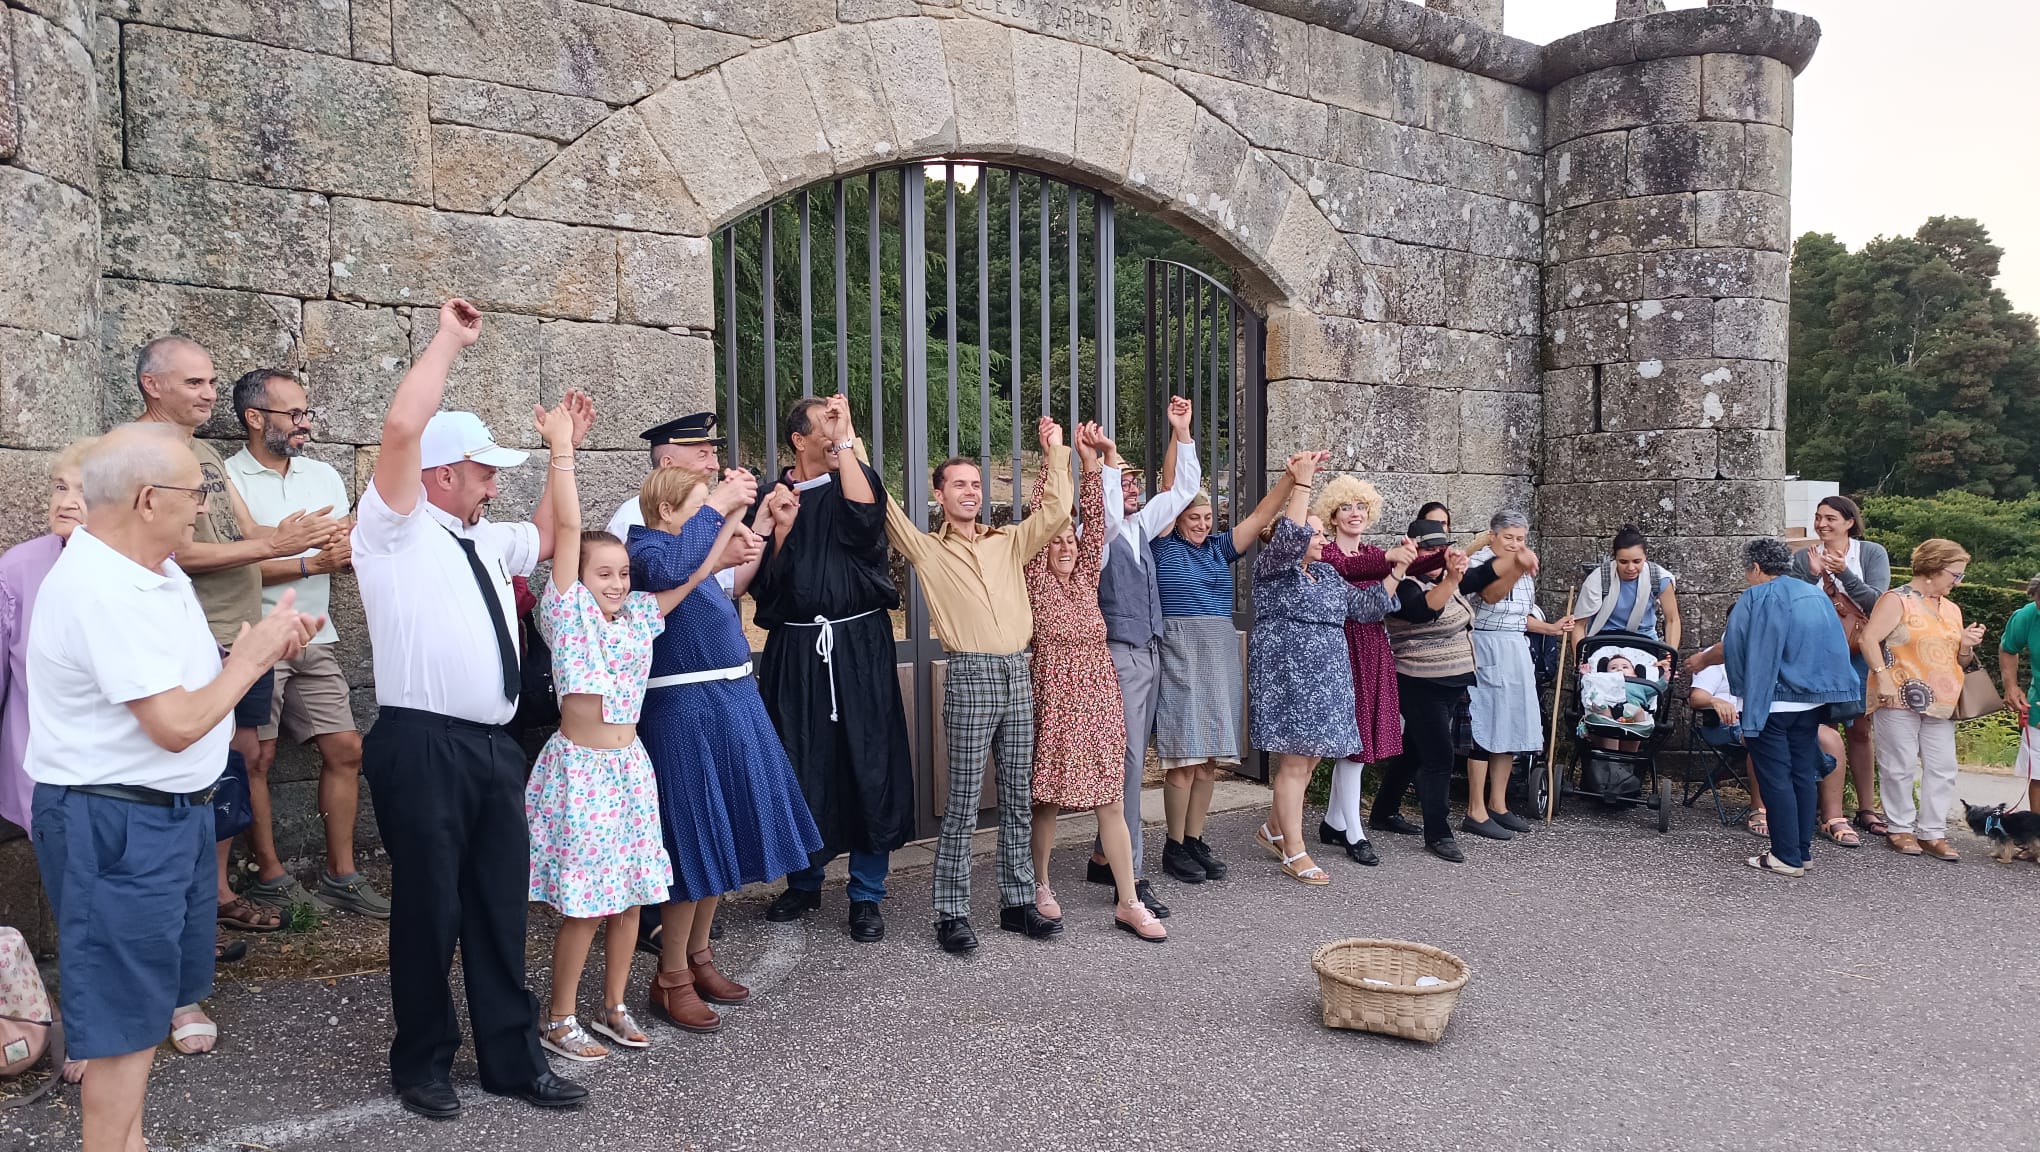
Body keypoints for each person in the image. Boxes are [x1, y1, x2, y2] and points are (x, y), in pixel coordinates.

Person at [26, 423, 318, 1152]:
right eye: (199, 492)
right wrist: (250, 662)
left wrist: (265, 643)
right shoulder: (102, 588)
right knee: (123, 1021)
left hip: (164, 817)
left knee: (146, 1007)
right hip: (119, 823)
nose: (204, 506)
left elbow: (183, 682)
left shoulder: (149, 570)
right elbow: (177, 723)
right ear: (148, 498)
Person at [350, 298, 591, 1118]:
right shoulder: (392, 529)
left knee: (495, 903)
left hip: (492, 747)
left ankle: (510, 1059)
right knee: (429, 909)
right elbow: (398, 431)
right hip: (421, 743)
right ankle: (421, 1064)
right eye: (483, 468)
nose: (494, 479)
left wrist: (565, 454)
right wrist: (450, 341)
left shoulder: (485, 540)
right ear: (443, 472)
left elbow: (556, 536)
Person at [133, 338, 345, 1051]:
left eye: (212, 379)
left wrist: (293, 539)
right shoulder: (146, 454)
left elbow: (247, 534)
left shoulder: (207, 458)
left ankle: (217, 899)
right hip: (208, 638)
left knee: (236, 762)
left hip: (237, 631)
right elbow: (182, 552)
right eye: (194, 381)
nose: (206, 392)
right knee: (209, 770)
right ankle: (193, 926)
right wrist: (284, 552)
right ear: (151, 384)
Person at [868, 416, 1072, 954]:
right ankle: (951, 913)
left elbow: (1055, 512)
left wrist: (1054, 450)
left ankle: (1016, 901)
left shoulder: (1008, 541)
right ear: (939, 495)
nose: (970, 491)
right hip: (972, 674)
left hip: (1017, 673)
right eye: (959, 484)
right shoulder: (927, 550)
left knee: (1017, 796)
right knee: (961, 802)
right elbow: (883, 506)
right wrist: (851, 443)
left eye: (976, 484)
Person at [630, 465, 821, 1029]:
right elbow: (667, 568)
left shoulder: (693, 553)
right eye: (697, 504)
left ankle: (698, 955)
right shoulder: (644, 548)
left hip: (728, 702)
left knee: (723, 833)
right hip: (683, 714)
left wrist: (736, 521)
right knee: (693, 845)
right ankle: (669, 977)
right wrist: (718, 508)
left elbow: (713, 574)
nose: (707, 513)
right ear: (667, 511)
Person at [524, 405, 678, 1062]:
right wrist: (563, 450)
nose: (616, 582)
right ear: (576, 579)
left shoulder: (638, 616)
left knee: (635, 896)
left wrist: (723, 524)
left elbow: (688, 581)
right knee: (586, 905)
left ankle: (612, 1005)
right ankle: (559, 1016)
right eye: (602, 573)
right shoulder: (567, 614)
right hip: (582, 769)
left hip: (629, 766)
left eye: (622, 573)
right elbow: (564, 525)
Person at [224, 369, 388, 919]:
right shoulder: (228, 479)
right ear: (254, 418)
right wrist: (309, 561)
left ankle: (341, 874)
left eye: (306, 413)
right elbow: (231, 570)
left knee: (346, 749)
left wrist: (340, 550)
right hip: (257, 637)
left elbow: (345, 542)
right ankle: (269, 874)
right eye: (293, 414)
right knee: (258, 757)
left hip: (317, 634)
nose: (305, 424)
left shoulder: (321, 474)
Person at [754, 396, 913, 945]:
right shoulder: (774, 495)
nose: (835, 427)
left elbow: (865, 525)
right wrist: (777, 531)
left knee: (869, 761)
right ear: (798, 439)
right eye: (824, 421)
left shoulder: (856, 477)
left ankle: (867, 893)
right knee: (801, 761)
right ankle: (804, 880)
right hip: (798, 650)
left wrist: (845, 440)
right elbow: (763, 585)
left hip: (859, 646)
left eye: (839, 421)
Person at [1023, 423, 1163, 941]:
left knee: (1110, 796)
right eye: (1055, 541)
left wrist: (1090, 466)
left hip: (1100, 694)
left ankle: (1129, 900)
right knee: (1047, 798)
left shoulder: (1085, 574)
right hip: (1056, 695)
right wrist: (1051, 457)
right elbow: (1045, 516)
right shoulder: (1036, 577)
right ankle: (1040, 884)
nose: (1064, 545)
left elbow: (1096, 520)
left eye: (1070, 540)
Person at [1248, 452, 1404, 886]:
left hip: (1329, 678)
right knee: (1295, 765)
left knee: (1311, 759)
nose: (1321, 541)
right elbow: (1293, 534)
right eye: (1314, 534)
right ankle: (1294, 851)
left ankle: (1273, 828)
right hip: (1292, 678)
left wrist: (1398, 571)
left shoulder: (1329, 576)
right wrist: (1301, 484)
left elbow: (1368, 608)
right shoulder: (1275, 571)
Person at [1148, 457, 1302, 884]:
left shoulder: (1218, 548)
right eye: (1192, 517)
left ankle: (1195, 838)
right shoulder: (1162, 545)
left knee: (1208, 759)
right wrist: (1181, 435)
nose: (1201, 524)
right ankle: (1174, 845)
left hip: (1218, 653)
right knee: (1183, 758)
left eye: (1207, 517)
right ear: (1176, 519)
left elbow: (1259, 517)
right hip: (1181, 651)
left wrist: (1291, 479)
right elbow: (1168, 489)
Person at [1082, 395, 1198, 917]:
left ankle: (1106, 856)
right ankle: (1134, 874)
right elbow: (1104, 514)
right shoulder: (1097, 536)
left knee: (1137, 758)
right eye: (1122, 482)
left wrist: (1183, 433)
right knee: (1129, 766)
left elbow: (1183, 492)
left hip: (1149, 654)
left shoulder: (1140, 527)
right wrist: (1104, 460)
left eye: (1133, 481)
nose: (1130, 489)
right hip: (1119, 657)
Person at [1723, 537, 1861, 876]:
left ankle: (1784, 855)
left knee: (1775, 777)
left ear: (1756, 568)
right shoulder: (1815, 595)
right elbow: (1835, 647)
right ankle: (1802, 851)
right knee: (1802, 772)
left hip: (1771, 700)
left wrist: (1743, 693)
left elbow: (1736, 649)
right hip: (1812, 700)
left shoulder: (1754, 596)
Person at [1859, 539, 1987, 862]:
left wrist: (1967, 645)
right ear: (1933, 568)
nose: (1958, 582)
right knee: (1898, 764)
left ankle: (1932, 831)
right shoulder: (1897, 600)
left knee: (1942, 767)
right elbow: (1868, 638)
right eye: (1955, 574)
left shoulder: (1951, 609)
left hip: (1942, 699)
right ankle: (1899, 827)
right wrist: (1883, 676)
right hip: (1898, 692)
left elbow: (1959, 661)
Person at [0, 437, 94, 835]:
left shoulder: (153, 565)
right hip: (39, 767)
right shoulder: (21, 565)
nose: (66, 501)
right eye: (60, 487)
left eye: (84, 491)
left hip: (125, 778)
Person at [1462, 511, 1572, 840]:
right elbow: (1492, 595)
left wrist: (1550, 628)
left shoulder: (1523, 566)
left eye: (1520, 539)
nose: (1514, 544)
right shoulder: (1480, 562)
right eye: (1508, 537)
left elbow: (1517, 615)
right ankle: (1475, 809)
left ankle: (1498, 803)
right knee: (1484, 725)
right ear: (1493, 536)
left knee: (1508, 724)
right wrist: (1519, 565)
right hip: (1485, 646)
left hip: (1513, 647)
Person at [1789, 494, 1892, 844]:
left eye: (1830, 518)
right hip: (1816, 651)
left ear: (1849, 522)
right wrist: (1812, 575)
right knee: (1822, 727)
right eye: (1818, 517)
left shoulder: (1871, 553)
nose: (1822, 524)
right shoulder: (1803, 557)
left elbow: (1879, 603)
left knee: (1861, 729)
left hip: (1859, 650)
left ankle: (1866, 807)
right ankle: (1827, 809)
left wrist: (1843, 573)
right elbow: (1791, 600)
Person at [1371, 520, 1476, 862]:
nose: (1436, 554)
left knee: (1416, 749)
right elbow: (1421, 613)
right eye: (1429, 549)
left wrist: (1512, 557)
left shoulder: (1444, 577)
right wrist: (1451, 578)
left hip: (1452, 678)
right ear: (1414, 551)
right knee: (1439, 755)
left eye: (1440, 548)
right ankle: (1439, 833)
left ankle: (1383, 811)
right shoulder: (1405, 583)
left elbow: (1486, 580)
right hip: (1419, 679)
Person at [1315, 474, 1399, 866]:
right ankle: (1354, 832)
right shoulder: (1329, 556)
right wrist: (1396, 564)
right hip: (1342, 649)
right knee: (1353, 746)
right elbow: (1367, 577)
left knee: (1360, 742)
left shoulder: (1376, 553)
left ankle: (1334, 821)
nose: (1355, 513)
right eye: (1346, 507)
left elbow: (1385, 600)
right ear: (1332, 516)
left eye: (1361, 507)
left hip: (1374, 647)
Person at [1686, 642, 1845, 832]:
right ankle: (1760, 808)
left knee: (1831, 738)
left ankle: (1833, 816)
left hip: (1779, 717)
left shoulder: (1775, 655)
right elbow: (1696, 698)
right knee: (1763, 735)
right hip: (1728, 721)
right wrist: (1715, 700)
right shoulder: (1715, 657)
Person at [605, 413, 754, 600]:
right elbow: (649, 585)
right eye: (703, 456)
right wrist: (720, 558)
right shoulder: (633, 516)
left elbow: (731, 585)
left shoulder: (708, 515)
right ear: (668, 464)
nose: (715, 465)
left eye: (713, 455)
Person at [1571, 525, 1681, 653]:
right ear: (1615, 558)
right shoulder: (1598, 578)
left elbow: (1672, 619)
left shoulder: (1659, 578)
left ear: (1646, 556)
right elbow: (1579, 625)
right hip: (1603, 640)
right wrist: (1579, 661)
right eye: (1623, 562)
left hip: (1645, 640)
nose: (1630, 568)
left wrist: (1670, 656)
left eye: (1637, 561)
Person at [2001, 574, 2040, 816]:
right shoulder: (2027, 615)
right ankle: (2037, 842)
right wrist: (2011, 686)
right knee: (2038, 775)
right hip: (2037, 705)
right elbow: (2008, 648)